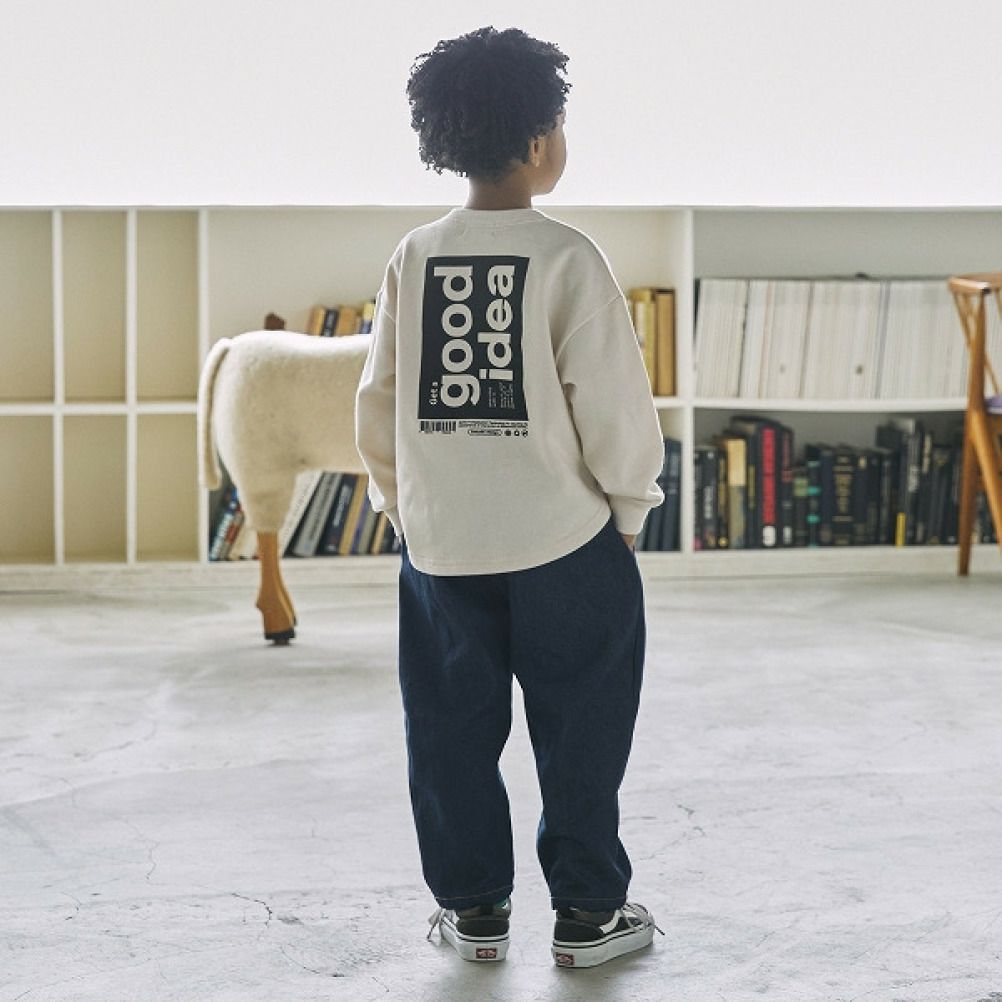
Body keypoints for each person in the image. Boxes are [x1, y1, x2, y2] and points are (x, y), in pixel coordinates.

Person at [355, 24, 665, 969]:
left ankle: (475, 911)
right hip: (565, 542)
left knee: (447, 732)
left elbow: (379, 401)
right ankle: (589, 916)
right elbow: (612, 403)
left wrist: (405, 510)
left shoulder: (415, 255)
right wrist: (628, 509)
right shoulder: (569, 257)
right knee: (582, 730)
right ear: (538, 141)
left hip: (444, 551)